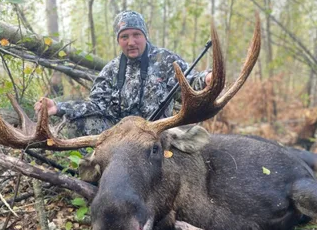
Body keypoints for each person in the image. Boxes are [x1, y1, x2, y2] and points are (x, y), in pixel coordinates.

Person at [35, 10, 212, 136]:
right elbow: (95, 105)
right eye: (124, 37)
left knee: (192, 138)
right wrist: (58, 107)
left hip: (157, 133)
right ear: (119, 40)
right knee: (74, 125)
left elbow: (191, 81)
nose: (131, 42)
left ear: (145, 36)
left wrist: (207, 78)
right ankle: (97, 172)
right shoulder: (111, 70)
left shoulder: (164, 59)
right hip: (120, 136)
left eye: (136, 35)